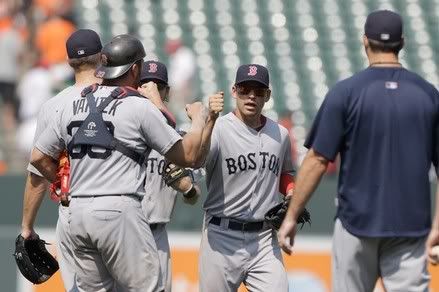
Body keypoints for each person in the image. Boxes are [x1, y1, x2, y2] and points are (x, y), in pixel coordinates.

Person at [29, 34, 223, 292]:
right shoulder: (138, 106)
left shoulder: (73, 103)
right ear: (134, 69)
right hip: (118, 210)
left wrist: (63, 182)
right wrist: (200, 119)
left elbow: (38, 157)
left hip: (76, 213)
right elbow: (189, 156)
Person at [278, 10, 439, 292]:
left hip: (356, 223)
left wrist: (292, 216)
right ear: (402, 42)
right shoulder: (428, 95)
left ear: (365, 41)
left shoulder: (346, 92)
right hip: (410, 227)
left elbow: (317, 160)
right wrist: (438, 227)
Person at [199, 64, 295, 292]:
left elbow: (285, 172)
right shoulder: (218, 129)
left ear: (268, 95)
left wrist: (291, 190)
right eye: (245, 89)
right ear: (234, 91)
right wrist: (209, 120)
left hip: (263, 238)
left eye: (259, 91)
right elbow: (197, 159)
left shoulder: (280, 134)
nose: (251, 96)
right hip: (221, 235)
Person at [20, 28, 103, 292]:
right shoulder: (122, 99)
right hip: (119, 206)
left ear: (69, 63)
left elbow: (37, 173)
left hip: (74, 210)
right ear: (101, 58)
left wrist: (27, 227)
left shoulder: (53, 106)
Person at [140, 60, 203, 292]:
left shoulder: (178, 139)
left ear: (167, 92)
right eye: (146, 83)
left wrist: (187, 187)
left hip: (157, 235)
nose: (152, 89)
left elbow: (194, 196)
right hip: (124, 231)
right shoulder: (123, 130)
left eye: (158, 85)